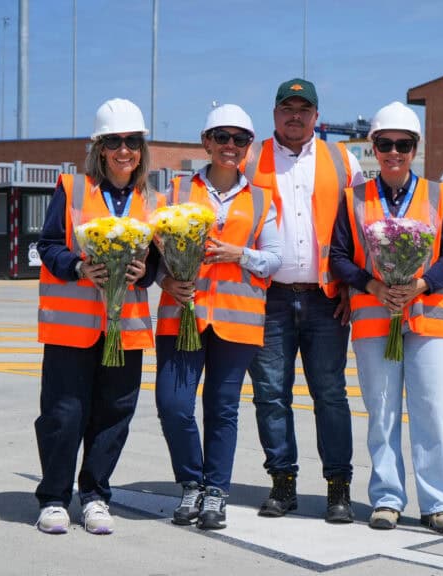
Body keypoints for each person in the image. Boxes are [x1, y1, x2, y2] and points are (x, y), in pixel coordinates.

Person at [329, 101, 443, 534]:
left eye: (402, 144)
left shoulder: (438, 196)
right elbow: (338, 258)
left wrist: (421, 284)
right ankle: (386, 498)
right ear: (373, 147)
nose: (393, 152)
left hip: (427, 320)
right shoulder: (354, 199)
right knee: (382, 411)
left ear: (415, 148)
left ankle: (437, 503)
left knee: (429, 408)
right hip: (374, 319)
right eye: (384, 144)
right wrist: (374, 286)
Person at [33, 98, 161, 535]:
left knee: (113, 414)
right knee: (64, 414)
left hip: (124, 331)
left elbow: (157, 264)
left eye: (132, 141)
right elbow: (48, 245)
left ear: (141, 149)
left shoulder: (152, 200)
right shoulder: (71, 188)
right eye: (115, 142)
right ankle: (53, 497)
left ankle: (94, 496)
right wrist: (78, 266)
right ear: (100, 147)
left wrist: (146, 274)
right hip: (70, 328)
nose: (124, 150)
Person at [155, 104, 282, 530]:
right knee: (173, 405)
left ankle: (215, 493)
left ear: (249, 147)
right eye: (222, 137)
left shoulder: (262, 198)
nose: (231, 146)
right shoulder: (174, 192)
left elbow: (275, 259)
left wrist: (238, 254)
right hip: (182, 314)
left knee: (222, 408)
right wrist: (165, 281)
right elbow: (151, 252)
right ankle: (191, 482)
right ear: (206, 142)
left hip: (238, 318)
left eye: (240, 139)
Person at [244, 78, 364, 523]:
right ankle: (283, 484)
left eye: (303, 108)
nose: (294, 116)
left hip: (326, 299)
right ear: (274, 113)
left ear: (317, 115)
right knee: (270, 395)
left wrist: (353, 288)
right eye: (286, 108)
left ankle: (338, 489)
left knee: (330, 394)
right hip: (267, 298)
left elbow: (362, 230)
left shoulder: (342, 159)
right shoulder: (251, 158)